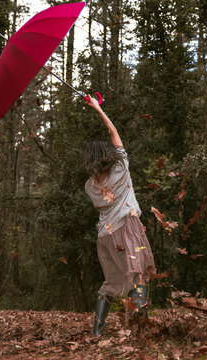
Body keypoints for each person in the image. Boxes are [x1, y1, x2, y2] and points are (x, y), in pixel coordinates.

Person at [83, 94, 156, 336]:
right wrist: (97, 108)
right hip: (127, 229)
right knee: (139, 276)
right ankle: (140, 330)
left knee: (112, 283)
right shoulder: (121, 166)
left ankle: (97, 331)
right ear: (107, 155)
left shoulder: (89, 186)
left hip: (105, 237)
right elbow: (113, 133)